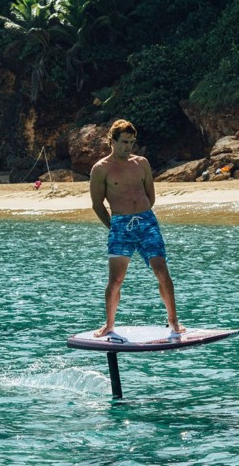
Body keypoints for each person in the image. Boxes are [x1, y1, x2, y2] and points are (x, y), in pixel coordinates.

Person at [89, 119, 185, 339]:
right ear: (112, 141)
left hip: (146, 222)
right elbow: (97, 204)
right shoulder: (100, 169)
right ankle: (109, 324)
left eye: (132, 142)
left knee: (162, 272)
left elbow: (150, 195)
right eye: (124, 142)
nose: (128, 147)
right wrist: (113, 226)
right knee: (115, 280)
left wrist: (142, 214)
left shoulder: (141, 163)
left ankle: (173, 321)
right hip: (120, 226)